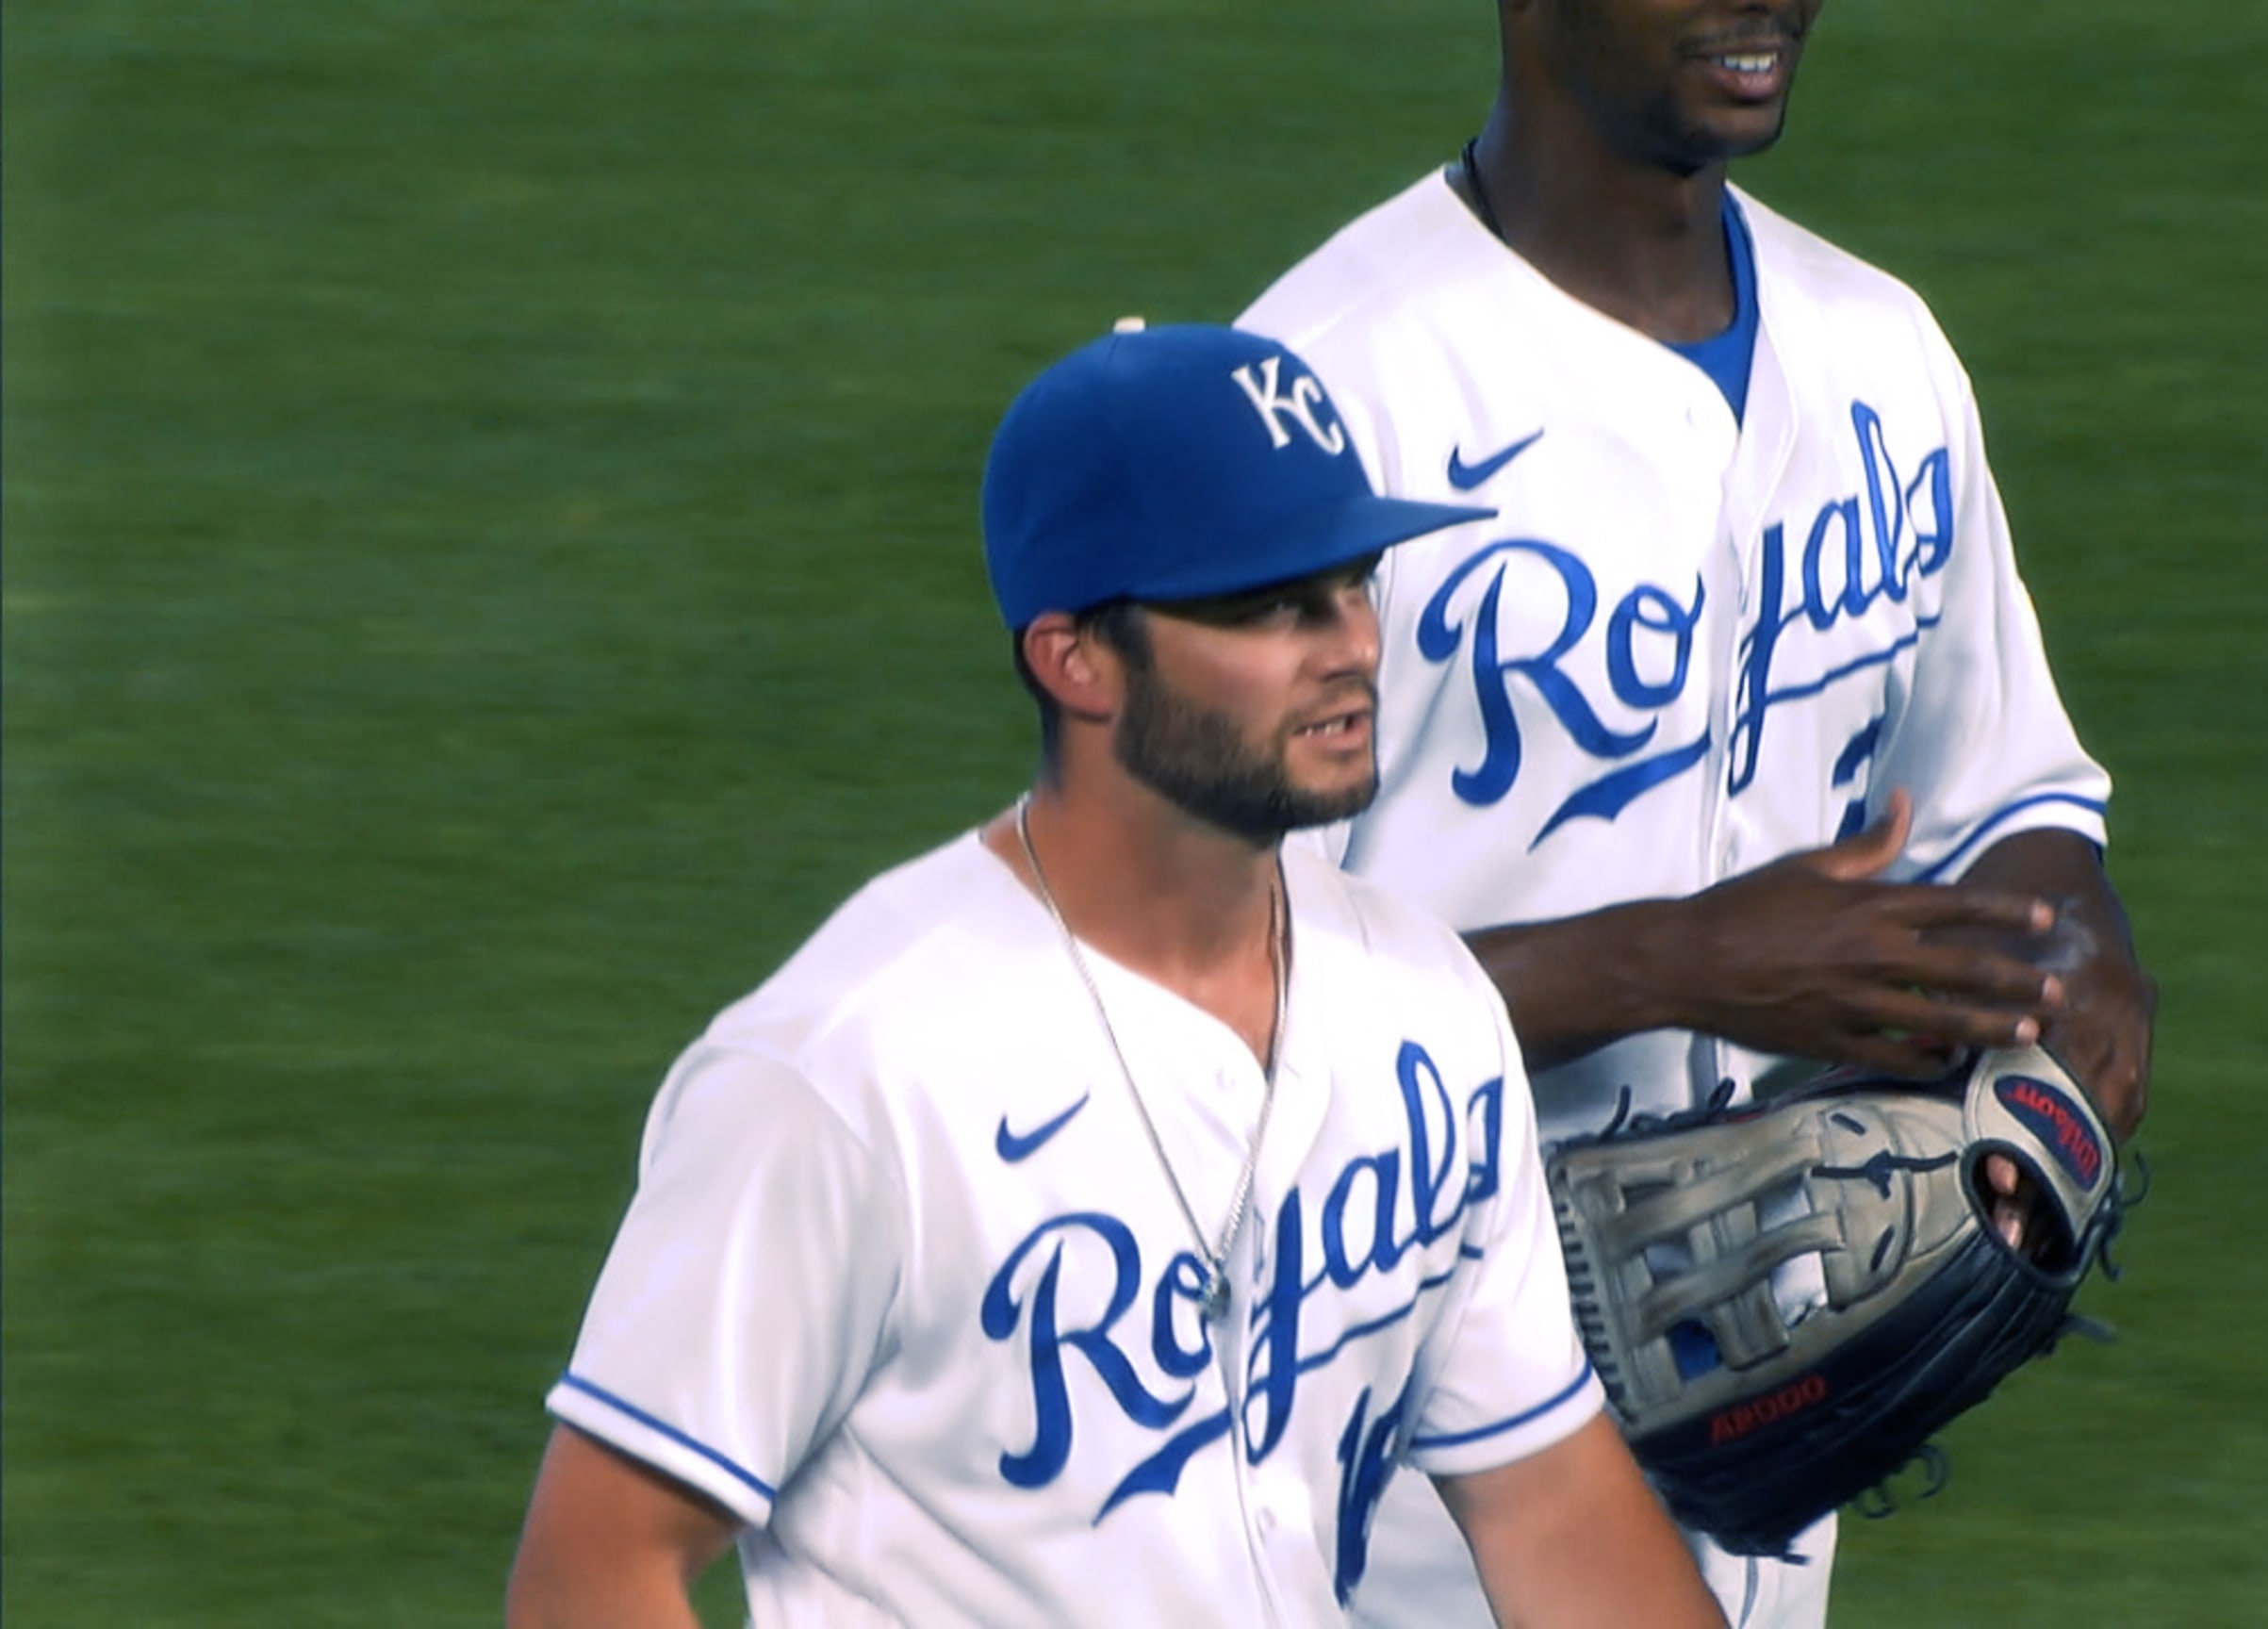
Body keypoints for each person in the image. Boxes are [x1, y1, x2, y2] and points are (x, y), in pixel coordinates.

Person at [503, 322, 1728, 1629]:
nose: (1351, 645)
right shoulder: (849, 1072)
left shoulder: (1425, 1004)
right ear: (1075, 657)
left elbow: (1551, 1506)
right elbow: (592, 1571)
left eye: (1354, 582)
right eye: (1266, 603)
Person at [1240, 3, 2159, 1624]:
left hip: (1768, 1427)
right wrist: (1673, 967)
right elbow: (1188, 994)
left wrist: (2069, 950)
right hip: (1374, 1488)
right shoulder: (1325, 398)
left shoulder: (1881, 354)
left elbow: (2007, 784)